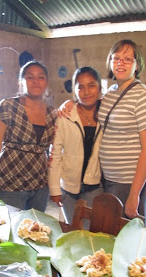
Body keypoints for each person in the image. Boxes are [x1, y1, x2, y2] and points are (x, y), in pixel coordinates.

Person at [59, 40, 146, 230]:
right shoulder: (112, 93)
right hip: (111, 179)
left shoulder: (145, 96)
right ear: (110, 62)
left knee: (130, 234)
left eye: (128, 59)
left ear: (137, 65)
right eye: (116, 58)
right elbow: (88, 102)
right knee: (111, 230)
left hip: (131, 179)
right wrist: (69, 104)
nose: (121, 63)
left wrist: (134, 194)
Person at [0, 61, 57, 211]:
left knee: (35, 231)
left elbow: (57, 148)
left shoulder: (52, 113)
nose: (36, 81)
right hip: (10, 185)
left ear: (46, 83)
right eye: (30, 77)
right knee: (10, 231)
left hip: (40, 186)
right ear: (21, 82)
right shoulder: (8, 106)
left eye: (41, 77)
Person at [48, 67, 103, 225]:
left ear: (99, 87)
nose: (86, 92)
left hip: (95, 186)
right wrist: (54, 188)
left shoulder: (107, 113)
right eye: (80, 87)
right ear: (74, 90)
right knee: (72, 230)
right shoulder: (65, 116)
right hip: (68, 187)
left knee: (91, 232)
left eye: (91, 85)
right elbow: (55, 153)